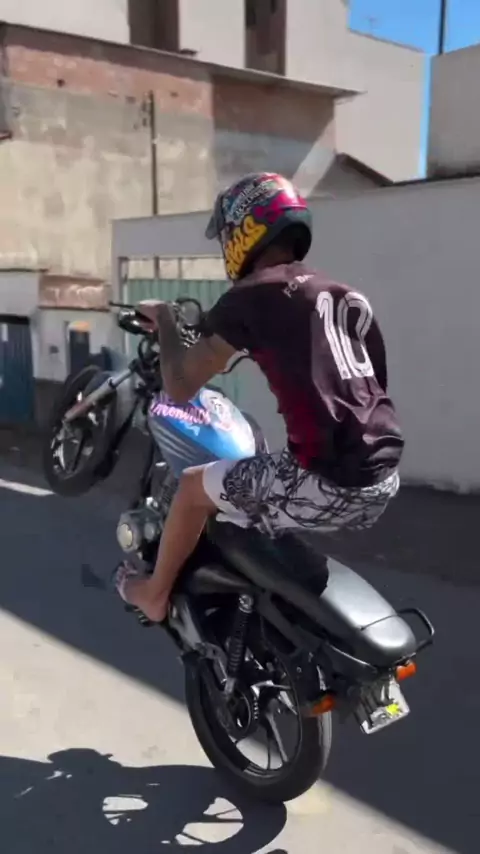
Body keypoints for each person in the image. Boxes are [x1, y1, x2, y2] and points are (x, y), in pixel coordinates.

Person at [115, 171, 404, 622]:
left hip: (330, 482)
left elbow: (179, 385)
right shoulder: (339, 294)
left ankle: (154, 594)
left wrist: (168, 320)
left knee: (193, 487)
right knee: (250, 476)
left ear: (245, 229)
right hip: (383, 478)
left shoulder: (253, 295)